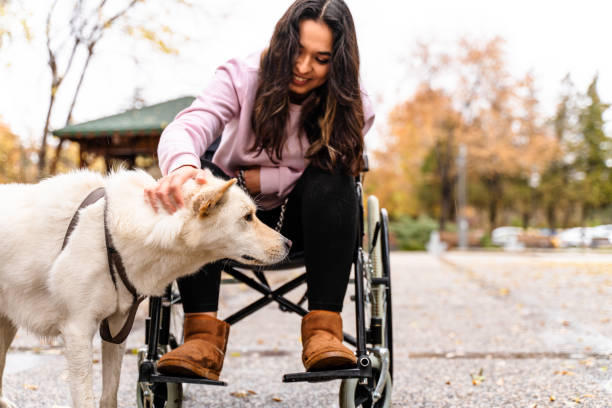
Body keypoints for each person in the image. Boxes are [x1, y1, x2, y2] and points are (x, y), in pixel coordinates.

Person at [144, 0, 375, 380]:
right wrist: (184, 168)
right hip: (231, 218)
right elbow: (189, 125)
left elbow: (342, 163)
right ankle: (200, 337)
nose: (303, 67)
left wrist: (267, 180)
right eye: (297, 51)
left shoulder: (355, 104)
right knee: (203, 182)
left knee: (336, 179)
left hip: (307, 221)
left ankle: (324, 331)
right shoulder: (242, 75)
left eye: (321, 58)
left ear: (339, 62)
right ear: (281, 41)